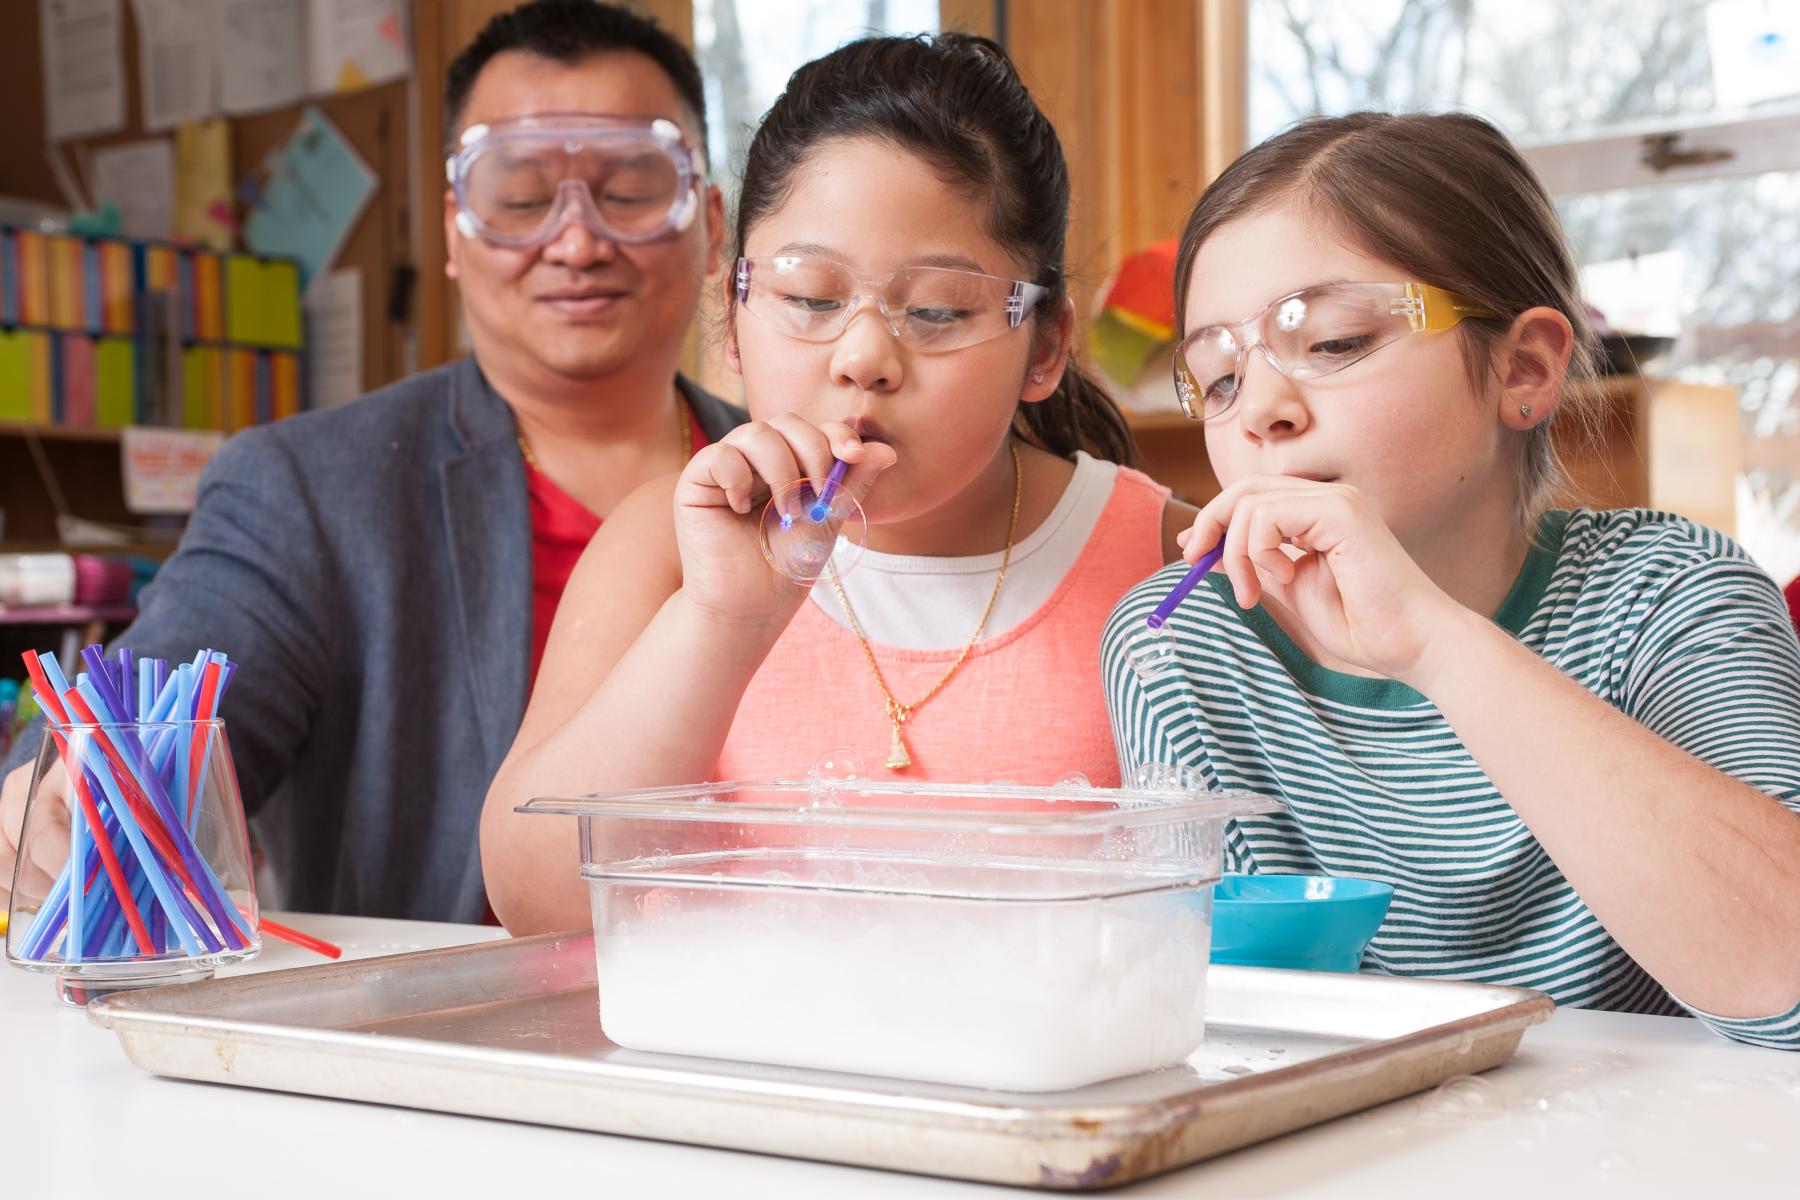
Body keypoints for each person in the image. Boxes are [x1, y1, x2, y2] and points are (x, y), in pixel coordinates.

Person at [0, 0, 746, 923]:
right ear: (450, 230)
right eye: (516, 195)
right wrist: (67, 790)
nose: (577, 239)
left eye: (631, 187)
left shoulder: (802, 495)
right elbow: (157, 718)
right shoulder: (308, 491)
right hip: (429, 1049)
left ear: (711, 223)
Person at [1103, 112, 1800, 1048]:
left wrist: (1435, 644)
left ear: (1525, 367)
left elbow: (1787, 998)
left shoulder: (1673, 594)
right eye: (1219, 380)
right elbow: (1221, 1027)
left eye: (1336, 341)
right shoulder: (1180, 641)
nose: (1261, 408)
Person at [480, 33, 1198, 934]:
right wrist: (725, 620)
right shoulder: (663, 547)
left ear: (1044, 345)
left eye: (937, 310)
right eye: (812, 300)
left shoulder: (1172, 563)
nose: (864, 358)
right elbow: (535, 901)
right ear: (735, 326)